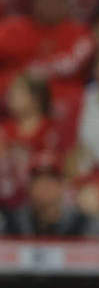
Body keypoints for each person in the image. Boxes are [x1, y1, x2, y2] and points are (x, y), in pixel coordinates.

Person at [0, 0, 95, 106]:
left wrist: (31, 73)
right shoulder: (10, 30)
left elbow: (70, 65)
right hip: (10, 109)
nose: (50, 2)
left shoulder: (81, 34)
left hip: (62, 111)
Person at [2, 151, 99, 237]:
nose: (45, 184)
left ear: (62, 184)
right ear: (29, 185)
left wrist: (98, 214)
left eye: (52, 178)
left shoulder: (80, 220)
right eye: (38, 178)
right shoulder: (13, 222)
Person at [0, 74, 60, 207]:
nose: (12, 96)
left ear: (37, 99)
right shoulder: (4, 129)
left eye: (19, 92)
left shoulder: (49, 129)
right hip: (6, 196)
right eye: (11, 91)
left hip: (38, 195)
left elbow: (53, 168)